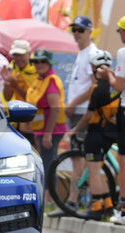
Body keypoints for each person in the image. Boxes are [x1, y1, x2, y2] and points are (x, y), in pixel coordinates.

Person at [49, 15, 98, 217]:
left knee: (79, 159)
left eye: (80, 30)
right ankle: (75, 202)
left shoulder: (92, 53)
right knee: (79, 158)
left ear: (89, 31)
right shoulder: (83, 52)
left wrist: (73, 104)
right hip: (78, 112)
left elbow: (96, 86)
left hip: (83, 112)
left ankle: (73, 203)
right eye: (74, 30)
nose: (76, 34)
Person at [68, 49, 118, 220]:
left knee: (94, 171)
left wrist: (76, 129)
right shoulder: (114, 86)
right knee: (97, 169)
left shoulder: (96, 88)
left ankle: (97, 208)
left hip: (95, 133)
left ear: (95, 68)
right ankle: (108, 205)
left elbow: (89, 115)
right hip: (109, 133)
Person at [26, 49, 68, 205]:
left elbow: (55, 108)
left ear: (49, 63)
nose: (39, 64)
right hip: (42, 129)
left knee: (48, 164)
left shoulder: (51, 80)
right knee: (46, 162)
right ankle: (48, 198)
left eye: (43, 61)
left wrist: (48, 134)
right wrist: (38, 132)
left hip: (53, 129)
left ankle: (49, 199)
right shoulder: (40, 79)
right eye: (36, 61)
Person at [98, 15, 125, 225]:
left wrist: (108, 75)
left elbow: (119, 87)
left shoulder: (123, 53)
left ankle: (123, 210)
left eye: (119, 31)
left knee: (123, 163)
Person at [0, 39, 38, 146]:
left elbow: (31, 99)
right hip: (16, 118)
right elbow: (7, 97)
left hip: (34, 121)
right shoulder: (12, 68)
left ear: (29, 54)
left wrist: (15, 84)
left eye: (21, 55)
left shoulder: (36, 70)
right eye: (15, 55)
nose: (18, 58)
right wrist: (8, 83)